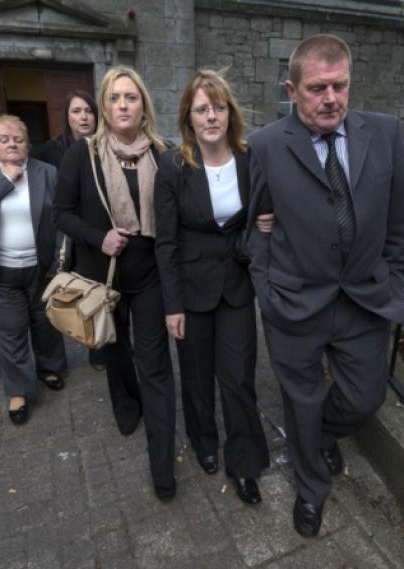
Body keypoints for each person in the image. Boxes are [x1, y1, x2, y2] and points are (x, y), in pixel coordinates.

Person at [246, 34, 404, 537]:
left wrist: (394, 279)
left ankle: (315, 436)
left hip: (364, 299)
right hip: (294, 302)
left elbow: (402, 222)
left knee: (365, 399)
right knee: (301, 398)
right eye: (318, 88)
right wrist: (267, 290)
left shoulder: (384, 134)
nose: (331, 98)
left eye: (340, 85)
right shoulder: (265, 145)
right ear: (292, 90)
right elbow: (252, 230)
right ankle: (311, 488)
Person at [54, 66, 177, 501]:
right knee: (115, 352)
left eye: (131, 97)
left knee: (156, 366)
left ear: (144, 106)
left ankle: (163, 466)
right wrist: (97, 236)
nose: (123, 105)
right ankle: (127, 405)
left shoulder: (165, 154)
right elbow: (62, 212)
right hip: (100, 278)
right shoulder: (82, 154)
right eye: (115, 98)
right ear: (105, 106)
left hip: (149, 279)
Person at [154, 70, 270, 506]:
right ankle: (204, 442)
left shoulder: (248, 157)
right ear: (189, 116)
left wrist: (266, 222)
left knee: (238, 378)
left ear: (229, 113)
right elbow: (165, 241)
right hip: (191, 289)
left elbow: (263, 210)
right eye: (202, 109)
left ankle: (244, 463)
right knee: (198, 378)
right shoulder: (173, 164)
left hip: (237, 286)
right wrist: (172, 305)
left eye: (218, 107)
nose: (211, 116)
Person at [0, 115, 68, 425]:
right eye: (3, 139)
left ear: (27, 142)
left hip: (40, 267)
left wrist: (60, 259)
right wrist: (6, 180)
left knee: (45, 322)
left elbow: (60, 216)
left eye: (18, 138)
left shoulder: (47, 172)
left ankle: (49, 367)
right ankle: (19, 389)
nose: (12, 144)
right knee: (12, 329)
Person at [36, 90, 106, 372]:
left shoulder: (104, 145)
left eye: (89, 111)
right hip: (64, 230)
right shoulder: (51, 150)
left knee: (99, 287)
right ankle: (73, 337)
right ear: (67, 117)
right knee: (71, 287)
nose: (84, 117)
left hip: (96, 229)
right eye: (77, 111)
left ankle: (99, 347)